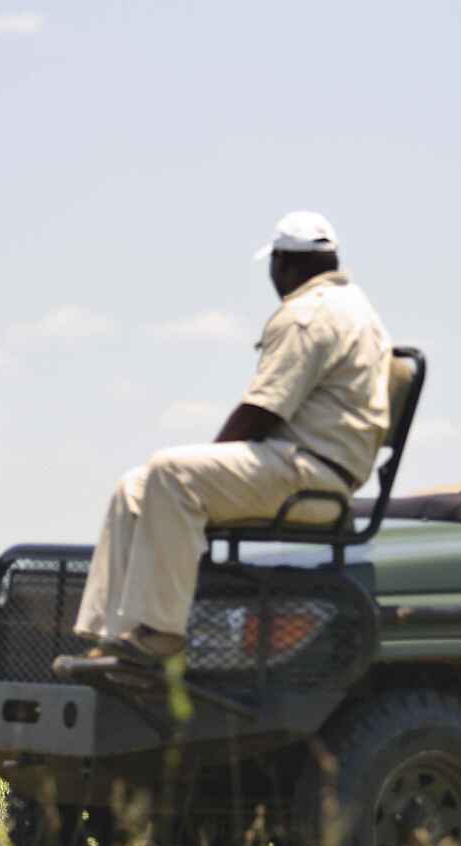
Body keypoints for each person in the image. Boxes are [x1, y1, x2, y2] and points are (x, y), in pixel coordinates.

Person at [65, 210, 392, 665]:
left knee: (170, 472)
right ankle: (113, 639)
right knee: (135, 488)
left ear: (284, 263)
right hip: (311, 469)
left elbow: (262, 409)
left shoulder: (308, 316)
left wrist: (205, 465)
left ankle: (160, 635)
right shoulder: (357, 308)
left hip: (311, 476)